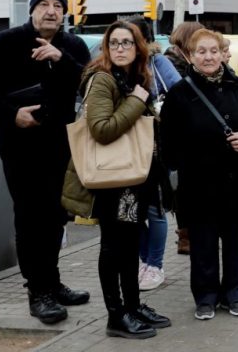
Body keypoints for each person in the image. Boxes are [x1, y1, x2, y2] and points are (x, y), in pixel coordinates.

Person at [0, 0, 91, 324]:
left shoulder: (73, 45)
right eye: (44, 4)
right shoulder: (7, 42)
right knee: (30, 218)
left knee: (57, 216)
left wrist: (61, 58)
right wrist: (13, 115)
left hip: (61, 145)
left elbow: (90, 83)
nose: (51, 11)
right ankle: (37, 290)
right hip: (20, 147)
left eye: (58, 6)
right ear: (32, 9)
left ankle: (52, 283)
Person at [160, 29, 238, 320]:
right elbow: (166, 144)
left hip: (235, 182)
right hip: (198, 185)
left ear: (222, 53)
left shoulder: (237, 87)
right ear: (190, 56)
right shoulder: (180, 94)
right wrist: (189, 159)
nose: (208, 57)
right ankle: (205, 297)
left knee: (234, 242)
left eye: (213, 51)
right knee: (203, 243)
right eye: (201, 52)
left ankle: (234, 295)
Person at [81, 21, 171, 338]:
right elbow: (101, 129)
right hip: (111, 182)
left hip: (132, 182)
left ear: (138, 48)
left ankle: (132, 306)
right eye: (115, 43)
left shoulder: (133, 77)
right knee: (113, 246)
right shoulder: (102, 79)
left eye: (127, 43)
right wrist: (137, 101)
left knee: (130, 243)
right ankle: (115, 315)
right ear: (107, 48)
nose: (121, 49)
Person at [127, 17, 181, 291]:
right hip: (123, 149)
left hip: (155, 149)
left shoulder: (158, 64)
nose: (126, 45)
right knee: (128, 209)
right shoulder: (116, 67)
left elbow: (181, 94)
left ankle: (154, 264)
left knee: (154, 208)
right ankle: (144, 261)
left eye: (132, 38)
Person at [163, 21, 204, 255]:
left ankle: (189, 234)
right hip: (179, 137)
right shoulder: (173, 65)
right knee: (181, 188)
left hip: (189, 135)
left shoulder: (181, 61)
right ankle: (185, 235)